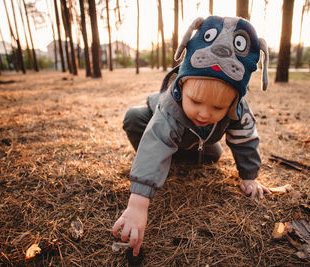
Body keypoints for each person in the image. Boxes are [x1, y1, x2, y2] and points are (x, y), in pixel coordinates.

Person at [112, 15, 270, 256]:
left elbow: (246, 138)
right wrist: (137, 205)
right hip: (157, 125)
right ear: (182, 86)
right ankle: (167, 160)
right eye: (196, 102)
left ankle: (179, 155)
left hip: (197, 141)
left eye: (218, 108)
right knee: (134, 118)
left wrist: (249, 176)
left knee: (214, 154)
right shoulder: (170, 103)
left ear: (233, 102)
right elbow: (156, 142)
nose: (204, 113)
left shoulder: (238, 108)